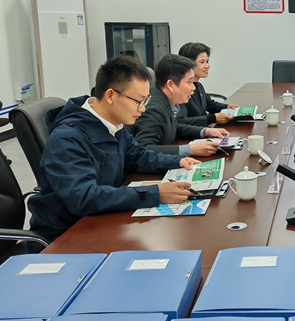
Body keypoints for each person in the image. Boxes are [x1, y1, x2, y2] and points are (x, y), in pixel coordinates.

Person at [27, 56, 200, 245]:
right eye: (139, 101)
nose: (143, 109)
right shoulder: (67, 138)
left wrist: (178, 162)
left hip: (101, 220)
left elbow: (137, 155)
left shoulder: (113, 123)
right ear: (110, 96)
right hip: (65, 237)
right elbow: (84, 197)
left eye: (146, 101)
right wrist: (155, 193)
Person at [131, 54, 229, 156]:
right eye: (189, 82)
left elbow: (174, 128)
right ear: (170, 85)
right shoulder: (154, 109)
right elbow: (143, 148)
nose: (193, 88)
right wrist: (190, 150)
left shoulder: (164, 100)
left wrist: (206, 131)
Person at [177, 42, 237, 127]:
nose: (207, 66)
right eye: (202, 62)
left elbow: (210, 104)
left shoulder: (199, 86)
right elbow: (180, 122)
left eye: (207, 61)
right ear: (188, 64)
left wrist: (228, 107)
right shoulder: (180, 89)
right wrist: (212, 119)